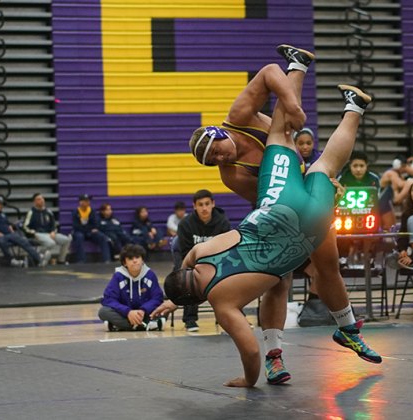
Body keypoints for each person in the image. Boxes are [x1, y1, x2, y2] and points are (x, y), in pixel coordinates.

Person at [153, 82, 380, 388]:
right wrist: (290, 97)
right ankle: (334, 93)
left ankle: (353, 107)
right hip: (275, 208)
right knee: (289, 140)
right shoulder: (200, 252)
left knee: (323, 267)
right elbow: (191, 262)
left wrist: (248, 380)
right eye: (213, 160)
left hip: (297, 231)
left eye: (217, 152)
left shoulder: (223, 306)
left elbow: (248, 349)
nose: (219, 159)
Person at [177, 190, 231, 332]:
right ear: (194, 206)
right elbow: (185, 253)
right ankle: (190, 319)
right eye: (200, 205)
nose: (204, 208)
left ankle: (230, 317)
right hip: (194, 265)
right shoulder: (185, 224)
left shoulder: (223, 222)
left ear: (213, 204)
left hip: (217, 264)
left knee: (230, 278)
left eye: (207, 204)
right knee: (188, 278)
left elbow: (226, 249)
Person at [98, 244, 164, 331]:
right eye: (130, 259)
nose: (135, 261)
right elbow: (109, 299)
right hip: (125, 314)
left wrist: (143, 310)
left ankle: (120, 325)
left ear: (142, 260)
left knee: (164, 307)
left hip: (145, 313)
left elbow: (157, 298)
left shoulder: (150, 275)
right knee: (103, 311)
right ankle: (144, 325)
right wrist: (128, 312)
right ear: (125, 263)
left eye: (137, 257)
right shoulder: (118, 276)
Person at [337, 150, 382, 261]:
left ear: (367, 166)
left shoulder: (374, 179)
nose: (358, 169)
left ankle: (368, 256)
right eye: (355, 166)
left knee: (373, 232)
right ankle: (343, 257)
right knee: (340, 233)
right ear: (350, 166)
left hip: (368, 217)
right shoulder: (342, 179)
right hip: (346, 217)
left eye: (361, 166)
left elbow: (378, 200)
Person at [0, 196, 46, 267]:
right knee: (2, 241)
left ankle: (38, 258)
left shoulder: (3, 215)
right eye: (0, 204)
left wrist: (11, 229)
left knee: (22, 240)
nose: (1, 206)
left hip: (9, 235)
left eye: (2, 204)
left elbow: (8, 224)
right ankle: (12, 260)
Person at [23, 193, 71, 265]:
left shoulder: (48, 212)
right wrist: (33, 233)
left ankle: (61, 260)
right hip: (38, 234)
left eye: (42, 199)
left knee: (66, 240)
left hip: (49, 234)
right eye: (39, 199)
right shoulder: (31, 212)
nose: (41, 201)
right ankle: (36, 254)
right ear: (35, 202)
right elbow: (25, 227)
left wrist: (53, 232)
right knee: (51, 243)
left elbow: (54, 225)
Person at [71, 194, 111, 263]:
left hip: (89, 232)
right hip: (80, 232)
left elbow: (95, 224)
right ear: (81, 202)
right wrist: (88, 229)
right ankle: (81, 259)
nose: (88, 202)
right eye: (86, 201)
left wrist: (89, 229)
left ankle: (106, 259)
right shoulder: (75, 212)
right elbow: (76, 226)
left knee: (102, 237)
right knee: (79, 237)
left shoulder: (92, 211)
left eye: (88, 201)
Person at [166, 201, 188, 269]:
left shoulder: (188, 217)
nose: (181, 212)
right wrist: (181, 232)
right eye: (179, 210)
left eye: (183, 210)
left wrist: (179, 232)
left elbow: (189, 229)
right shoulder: (172, 217)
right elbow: (170, 226)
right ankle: (177, 262)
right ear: (175, 211)